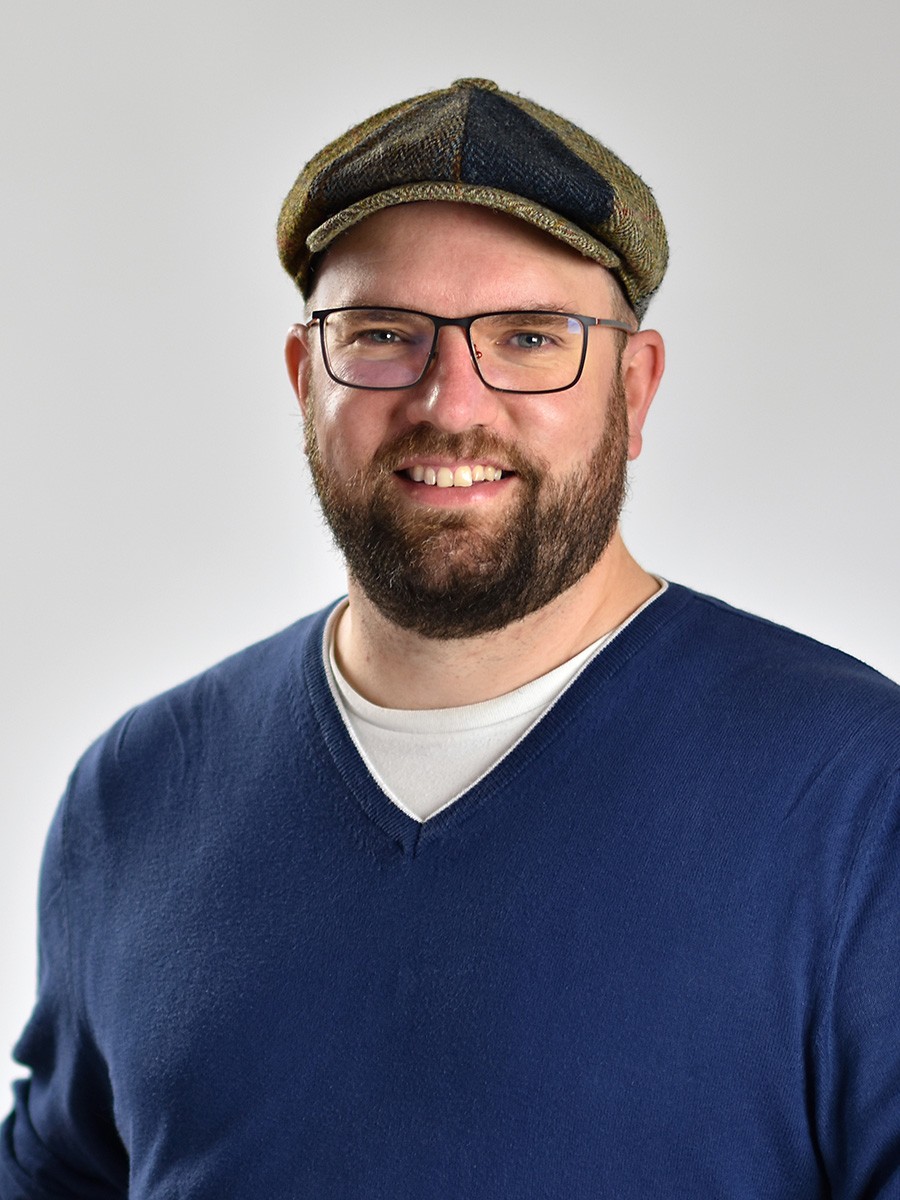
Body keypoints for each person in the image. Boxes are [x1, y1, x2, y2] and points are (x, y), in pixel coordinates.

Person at [2, 78, 899, 1200]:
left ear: (634, 388)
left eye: (529, 338)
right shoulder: (136, 794)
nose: (452, 403)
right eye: (384, 335)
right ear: (305, 379)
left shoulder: (855, 794)